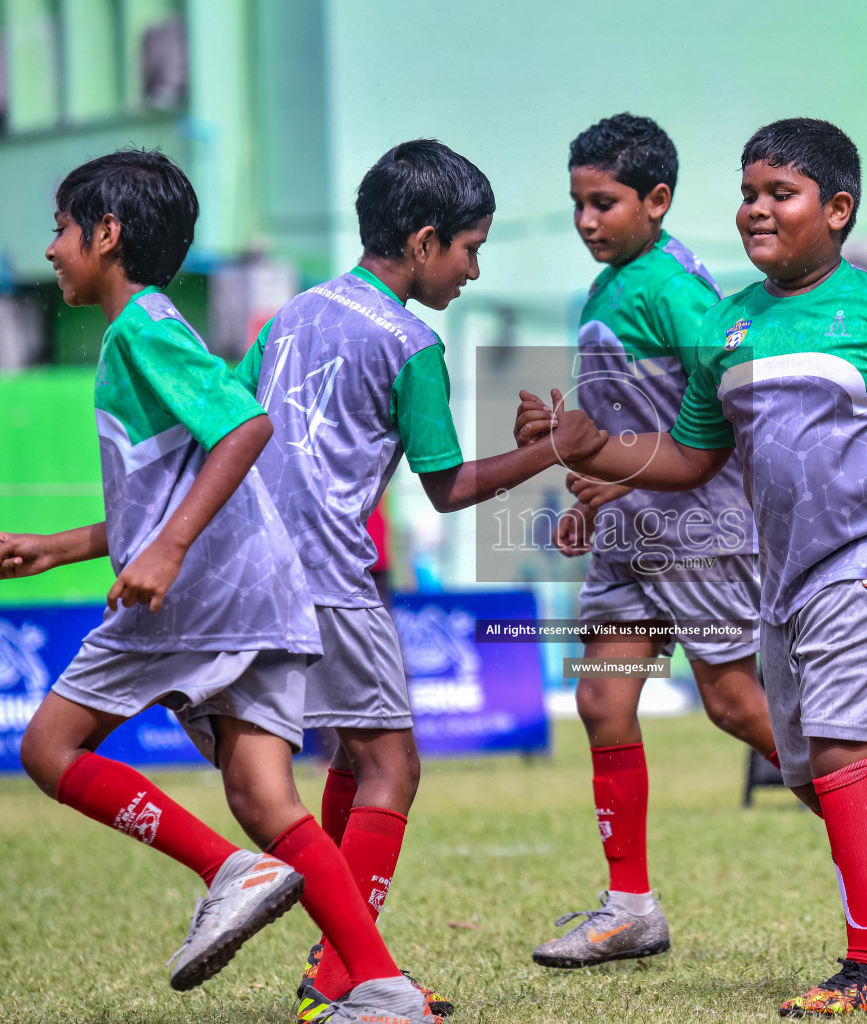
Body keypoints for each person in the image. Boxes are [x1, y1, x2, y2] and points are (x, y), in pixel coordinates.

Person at [517, 118, 867, 1016]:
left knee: (818, 742)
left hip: (846, 566)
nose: (754, 209)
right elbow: (690, 453)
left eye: (777, 194)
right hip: (764, 573)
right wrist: (594, 452)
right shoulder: (730, 321)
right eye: (748, 193)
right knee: (783, 752)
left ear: (837, 211)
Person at [0, 149, 416, 1022]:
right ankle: (382, 990)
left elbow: (245, 427)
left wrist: (169, 553)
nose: (54, 249)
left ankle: (228, 871)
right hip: (258, 592)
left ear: (107, 234)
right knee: (263, 795)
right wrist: (58, 548)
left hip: (200, 598)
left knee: (47, 749)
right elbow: (172, 496)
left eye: (62, 229)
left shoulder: (141, 326)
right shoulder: (148, 327)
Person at [233, 139, 608, 1023]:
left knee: (352, 756)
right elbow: (446, 490)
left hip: (251, 570)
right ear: (426, 240)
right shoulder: (411, 341)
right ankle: (348, 982)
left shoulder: (287, 316)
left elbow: (230, 429)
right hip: (328, 572)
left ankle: (338, 960)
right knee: (393, 766)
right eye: (471, 249)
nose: (474, 270)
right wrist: (554, 451)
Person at [510, 113, 778, 971]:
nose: (588, 221)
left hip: (698, 531)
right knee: (603, 703)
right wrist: (587, 489)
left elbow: (731, 412)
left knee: (735, 705)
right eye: (578, 205)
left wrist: (623, 476)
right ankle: (631, 908)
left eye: (605, 204)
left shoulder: (672, 289)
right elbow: (624, 422)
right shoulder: (609, 286)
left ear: (657, 201)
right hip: (632, 541)